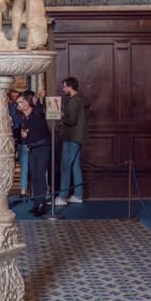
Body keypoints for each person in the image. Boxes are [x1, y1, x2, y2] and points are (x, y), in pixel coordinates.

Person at [55, 77, 89, 205]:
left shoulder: (73, 101)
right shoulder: (81, 100)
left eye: (64, 86)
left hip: (71, 137)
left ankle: (62, 197)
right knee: (75, 166)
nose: (63, 89)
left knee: (65, 166)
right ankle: (78, 195)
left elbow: (72, 120)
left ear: (70, 87)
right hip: (79, 137)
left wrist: (61, 116)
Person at [16, 91, 50, 216]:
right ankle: (37, 202)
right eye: (17, 103)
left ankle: (42, 203)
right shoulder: (24, 118)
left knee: (40, 176)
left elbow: (40, 109)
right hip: (32, 149)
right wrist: (24, 137)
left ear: (26, 103)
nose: (18, 105)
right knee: (34, 176)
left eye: (20, 102)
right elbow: (25, 138)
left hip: (42, 148)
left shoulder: (36, 113)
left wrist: (40, 97)